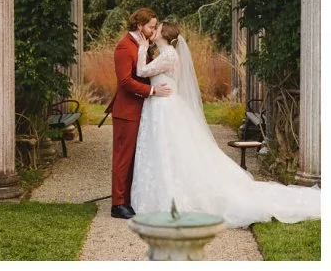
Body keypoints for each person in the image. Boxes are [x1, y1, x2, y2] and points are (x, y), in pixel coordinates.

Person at [131, 22, 320, 227]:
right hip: (161, 107)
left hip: (165, 109)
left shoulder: (168, 55)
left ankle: (172, 197)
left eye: (157, 29)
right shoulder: (165, 54)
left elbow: (141, 71)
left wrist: (141, 47)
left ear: (165, 35)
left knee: (168, 151)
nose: (153, 31)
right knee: (167, 152)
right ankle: (165, 193)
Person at [109, 7, 172, 219]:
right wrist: (152, 90)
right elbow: (125, 81)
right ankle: (118, 204)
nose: (154, 30)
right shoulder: (125, 47)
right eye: (151, 27)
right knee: (123, 157)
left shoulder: (142, 45)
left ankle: (128, 198)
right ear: (139, 26)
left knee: (136, 157)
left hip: (140, 110)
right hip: (127, 111)